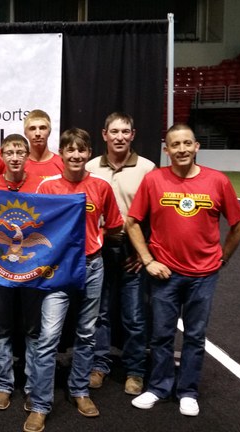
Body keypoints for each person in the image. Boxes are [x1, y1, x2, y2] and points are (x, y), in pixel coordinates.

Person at [128, 124, 240, 417]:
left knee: (195, 335)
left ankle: (188, 391)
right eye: (174, 145)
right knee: (161, 336)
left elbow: (239, 223)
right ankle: (158, 387)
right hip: (164, 274)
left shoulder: (217, 181)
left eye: (186, 143)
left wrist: (223, 258)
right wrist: (147, 259)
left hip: (203, 276)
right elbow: (131, 222)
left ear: (196, 147)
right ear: (166, 150)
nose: (181, 149)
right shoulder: (154, 180)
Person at [27, 128, 123, 432]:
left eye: (82, 150)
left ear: (88, 153)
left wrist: (93, 241)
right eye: (70, 150)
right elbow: (34, 229)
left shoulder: (100, 186)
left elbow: (115, 226)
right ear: (63, 153)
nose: (76, 156)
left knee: (86, 333)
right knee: (48, 339)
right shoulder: (47, 187)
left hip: (93, 266)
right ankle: (40, 404)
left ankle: (79, 390)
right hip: (58, 270)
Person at [85, 112, 156, 395]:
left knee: (135, 316)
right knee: (99, 313)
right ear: (104, 135)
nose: (119, 137)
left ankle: (135, 371)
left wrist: (144, 251)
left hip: (132, 250)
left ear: (133, 134)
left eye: (125, 131)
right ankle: (99, 365)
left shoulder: (148, 168)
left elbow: (156, 215)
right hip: (100, 249)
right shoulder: (90, 167)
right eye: (114, 132)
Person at [0, 134, 45, 411]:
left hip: (33, 272)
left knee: (33, 329)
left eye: (21, 152)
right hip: (0, 272)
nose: (16, 157)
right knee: (2, 328)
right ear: (3, 156)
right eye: (10, 152)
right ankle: (3, 385)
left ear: (27, 155)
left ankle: (33, 387)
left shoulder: (42, 186)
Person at [23, 110, 63, 179]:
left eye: (42, 128)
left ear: (49, 132)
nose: (37, 133)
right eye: (32, 129)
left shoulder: (62, 164)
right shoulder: (19, 165)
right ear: (26, 133)